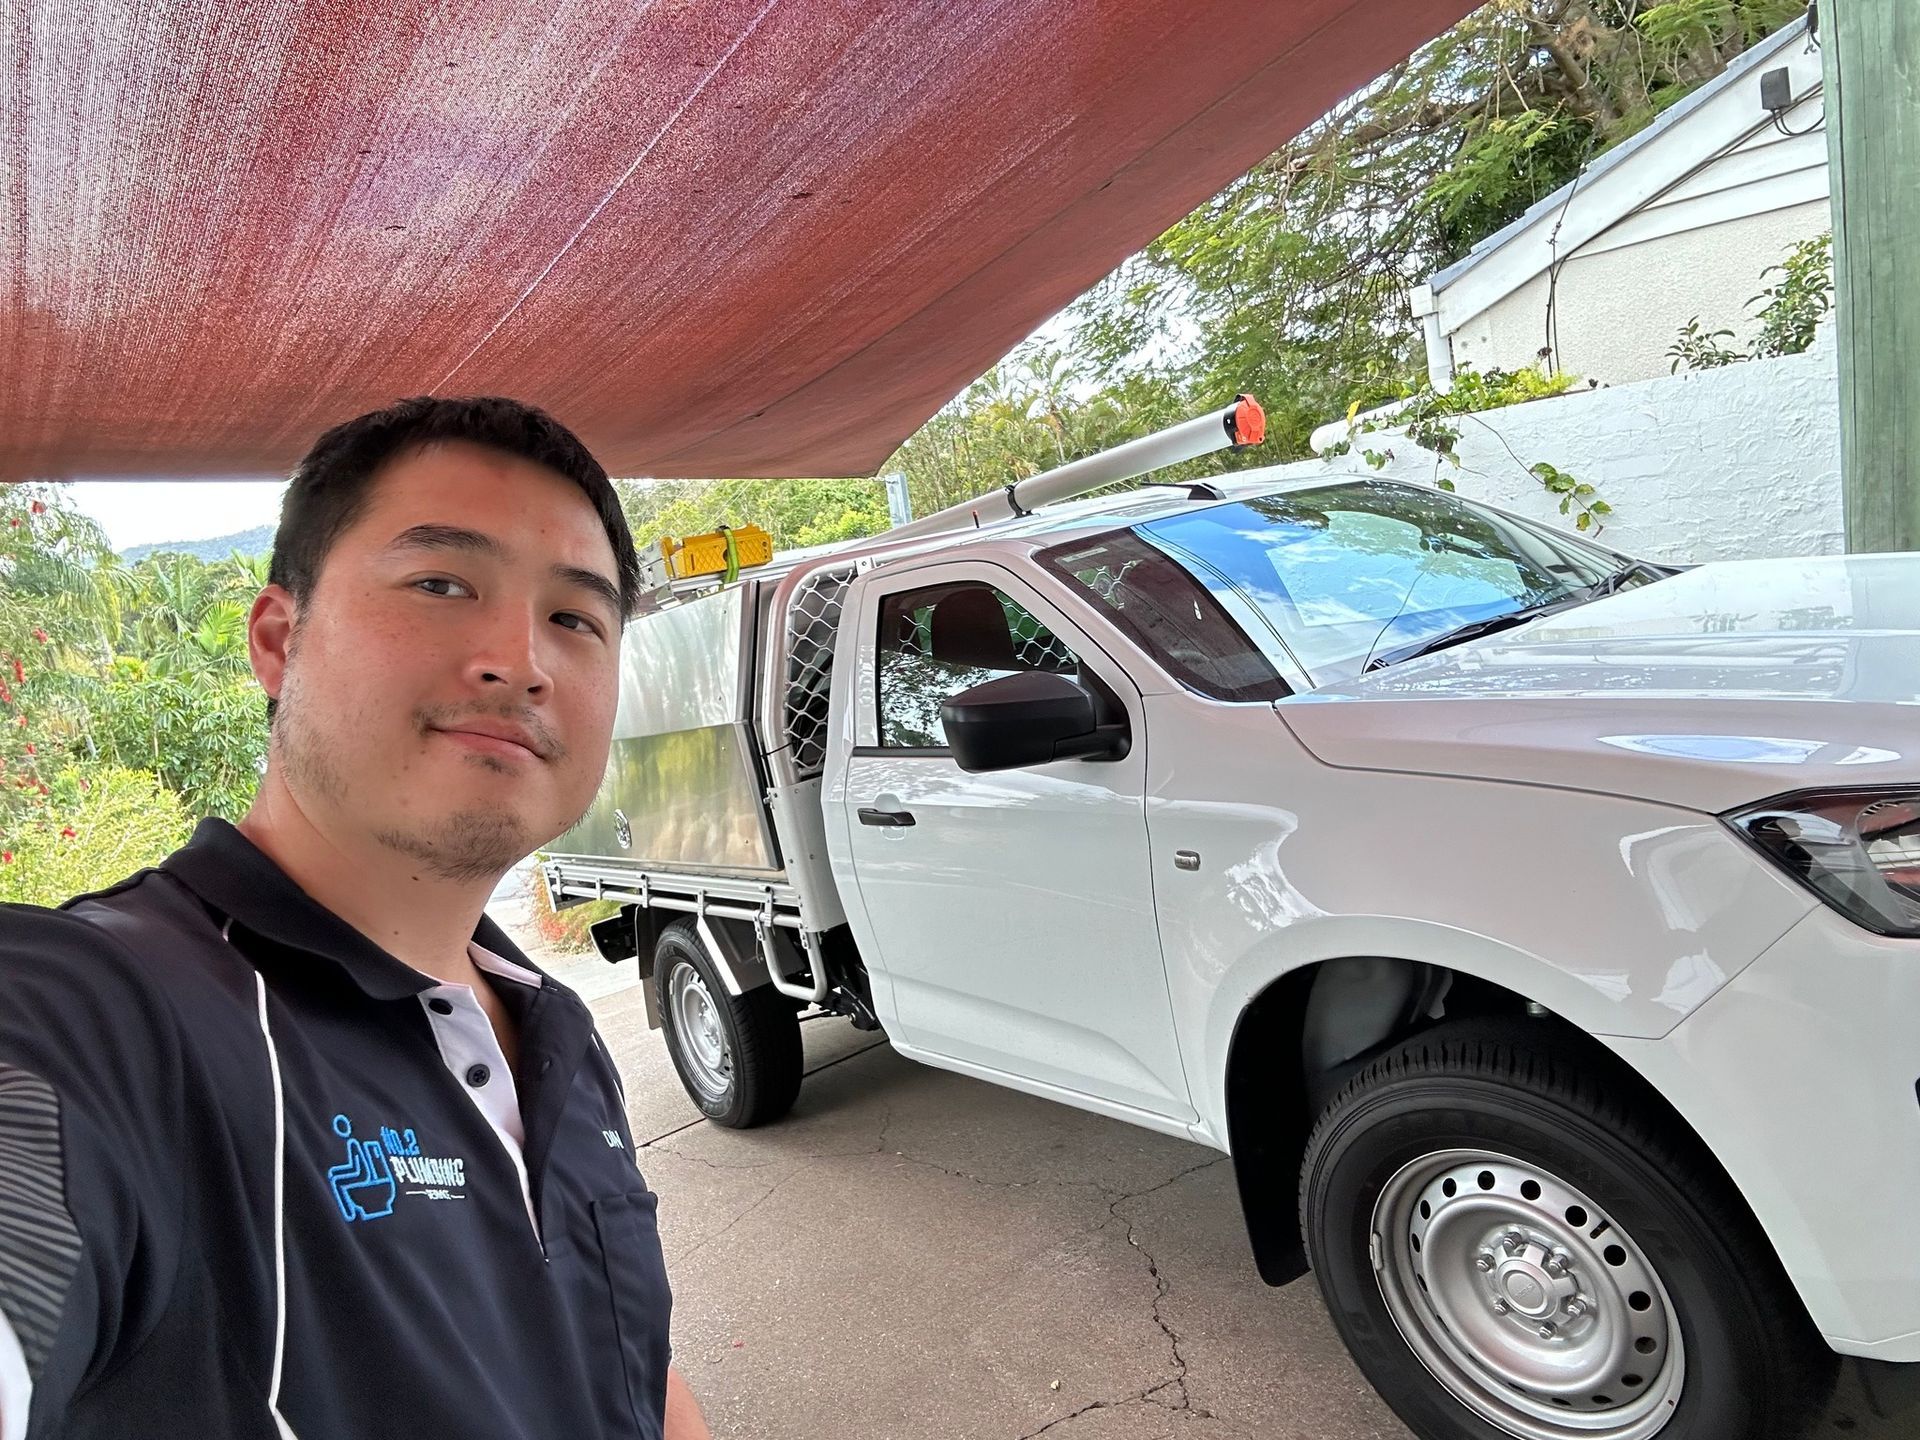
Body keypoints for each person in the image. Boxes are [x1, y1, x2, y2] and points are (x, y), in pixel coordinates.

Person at [0, 397, 711, 1440]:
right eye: (440, 583)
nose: (520, 660)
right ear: (280, 640)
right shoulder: (108, 1020)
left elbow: (630, 1368)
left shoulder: (558, 1031)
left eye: (574, 617)